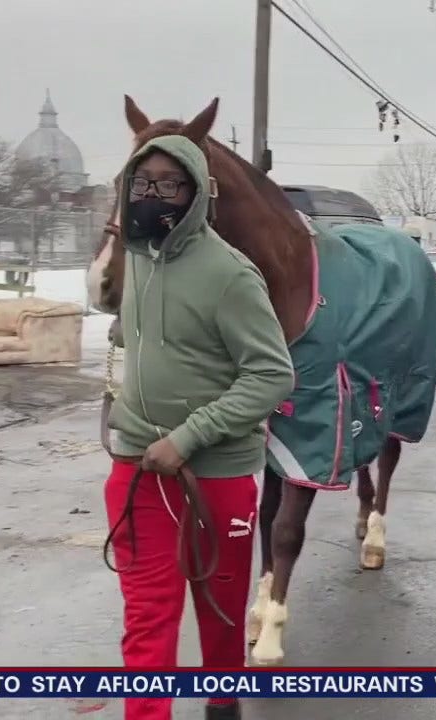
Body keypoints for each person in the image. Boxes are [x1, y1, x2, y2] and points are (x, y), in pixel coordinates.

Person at [105, 134, 295, 720]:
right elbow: (144, 332)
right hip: (137, 471)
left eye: (168, 184)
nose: (153, 195)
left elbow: (271, 375)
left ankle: (223, 703)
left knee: (219, 612)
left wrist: (186, 437)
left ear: (194, 194)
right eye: (142, 183)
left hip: (215, 477)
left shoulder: (231, 275)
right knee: (147, 622)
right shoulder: (136, 257)